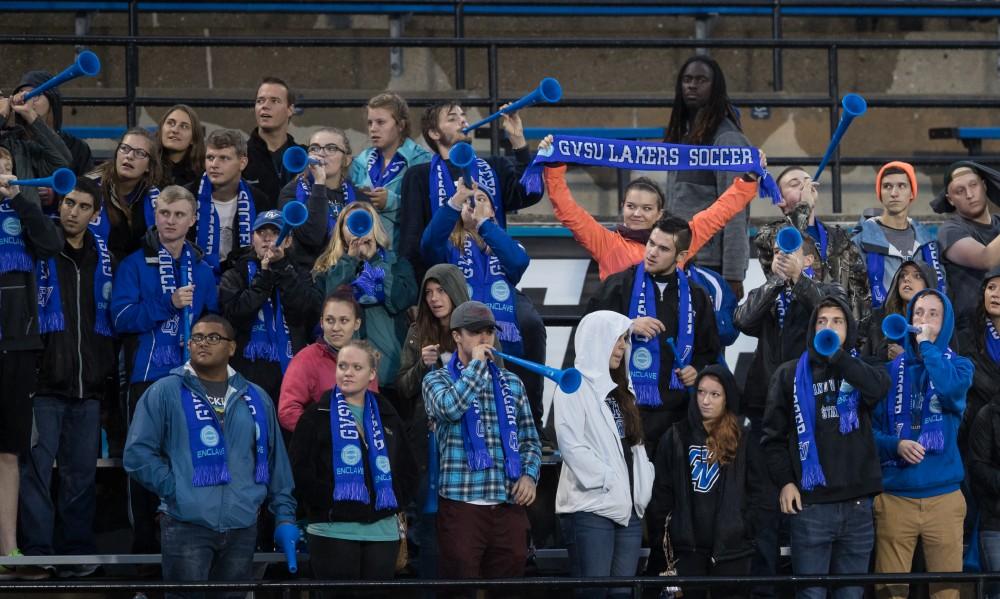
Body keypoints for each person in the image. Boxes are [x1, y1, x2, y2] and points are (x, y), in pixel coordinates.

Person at [123, 314, 297, 599]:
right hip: (186, 525)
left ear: (232, 347)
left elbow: (277, 463)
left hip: (242, 526)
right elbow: (137, 454)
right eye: (197, 338)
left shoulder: (255, 397)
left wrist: (285, 517)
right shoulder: (164, 391)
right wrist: (176, 488)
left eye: (213, 337)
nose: (203, 343)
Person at [111, 185, 219, 556]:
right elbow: (122, 319)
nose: (170, 221)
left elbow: (212, 324)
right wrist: (168, 302)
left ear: (193, 221)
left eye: (178, 215)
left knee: (190, 462)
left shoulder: (203, 271)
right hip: (147, 379)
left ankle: (187, 545)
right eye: (164, 214)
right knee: (144, 464)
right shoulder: (134, 263)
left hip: (193, 382)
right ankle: (144, 550)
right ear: (155, 217)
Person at [762, 296, 890, 599]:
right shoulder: (789, 374)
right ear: (811, 329)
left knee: (851, 595)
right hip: (811, 506)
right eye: (822, 322)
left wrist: (839, 357)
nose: (828, 327)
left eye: (837, 322)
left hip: (858, 504)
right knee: (811, 596)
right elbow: (771, 438)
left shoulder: (863, 367)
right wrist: (785, 482)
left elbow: (877, 389)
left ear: (849, 329)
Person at [18, 178, 115, 576]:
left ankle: (76, 552)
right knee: (36, 474)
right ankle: (39, 552)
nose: (72, 212)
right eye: (68, 203)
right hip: (43, 383)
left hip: (88, 387)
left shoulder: (103, 256)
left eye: (82, 206)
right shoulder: (41, 246)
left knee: (80, 477)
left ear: (95, 215)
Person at [422, 301, 541, 590]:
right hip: (462, 505)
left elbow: (530, 440)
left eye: (489, 331)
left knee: (509, 588)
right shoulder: (436, 379)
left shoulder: (512, 383)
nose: (484, 339)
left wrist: (529, 475)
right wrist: (475, 367)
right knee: (458, 590)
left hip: (507, 504)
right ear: (457, 336)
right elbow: (450, 408)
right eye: (475, 332)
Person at [420, 178, 549, 438]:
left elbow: (518, 262)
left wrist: (483, 225)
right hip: (463, 335)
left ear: (493, 211)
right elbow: (428, 245)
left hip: (502, 332)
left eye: (482, 200)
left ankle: (532, 426)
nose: (474, 203)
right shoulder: (449, 246)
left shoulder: (504, 244)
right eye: (469, 199)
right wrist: (455, 202)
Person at [541, 136, 764, 282]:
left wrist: (749, 178)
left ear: (659, 213)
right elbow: (567, 210)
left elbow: (719, 213)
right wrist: (553, 165)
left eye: (646, 208)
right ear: (622, 208)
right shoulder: (606, 243)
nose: (637, 213)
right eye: (631, 206)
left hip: (668, 338)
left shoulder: (679, 239)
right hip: (622, 341)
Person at [587, 216, 721, 457]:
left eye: (663, 248)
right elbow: (588, 333)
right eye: (651, 243)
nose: (652, 252)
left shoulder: (697, 295)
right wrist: (627, 325)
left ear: (681, 256)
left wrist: (697, 370)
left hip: (676, 415)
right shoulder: (619, 284)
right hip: (625, 408)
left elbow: (708, 351)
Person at [289, 339, 417, 583]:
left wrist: (391, 502)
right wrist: (333, 503)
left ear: (372, 374)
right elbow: (301, 472)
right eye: (343, 366)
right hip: (332, 529)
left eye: (357, 368)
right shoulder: (315, 415)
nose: (347, 373)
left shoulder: (388, 414)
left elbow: (408, 469)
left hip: (382, 532)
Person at [871, 289, 970, 599]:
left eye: (932, 315)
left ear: (947, 324)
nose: (923, 320)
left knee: (946, 594)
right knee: (890, 593)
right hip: (895, 498)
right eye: (918, 313)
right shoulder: (887, 373)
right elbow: (869, 434)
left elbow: (951, 391)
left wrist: (927, 346)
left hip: (944, 498)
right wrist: (894, 445)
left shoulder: (961, 367)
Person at [554, 311, 654, 599]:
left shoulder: (624, 388)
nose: (623, 346)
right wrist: (608, 480)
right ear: (597, 340)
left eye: (625, 339)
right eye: (617, 339)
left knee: (622, 594)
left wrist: (642, 482)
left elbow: (635, 445)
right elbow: (572, 446)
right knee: (593, 594)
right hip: (591, 507)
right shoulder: (572, 385)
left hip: (629, 509)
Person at [0, 136, 63, 580]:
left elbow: (51, 245)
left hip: (17, 344)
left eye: (3, 165)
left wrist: (19, 201)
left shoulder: (25, 212)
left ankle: (9, 552)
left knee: (7, 453)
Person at [647, 364, 766, 599]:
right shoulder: (676, 436)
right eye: (701, 392)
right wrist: (667, 540)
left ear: (727, 398)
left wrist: (744, 529)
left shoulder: (743, 441)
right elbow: (661, 496)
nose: (706, 400)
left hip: (732, 553)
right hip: (686, 553)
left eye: (714, 394)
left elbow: (759, 494)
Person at [398, 101, 542, 279]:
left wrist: (518, 140)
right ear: (434, 133)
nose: (463, 122)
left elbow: (531, 192)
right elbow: (411, 242)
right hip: (443, 288)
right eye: (453, 118)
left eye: (463, 116)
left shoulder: (495, 166)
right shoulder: (418, 176)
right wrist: (416, 295)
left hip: (492, 283)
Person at [395, 263, 472, 581]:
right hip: (426, 442)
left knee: (461, 529)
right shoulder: (417, 332)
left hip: (469, 438)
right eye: (428, 293)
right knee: (428, 527)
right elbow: (402, 387)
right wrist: (423, 367)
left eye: (441, 291)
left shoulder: (476, 329)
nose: (434, 299)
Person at [663, 55, 753, 298]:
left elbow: (736, 213)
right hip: (677, 259)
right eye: (687, 79)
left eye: (701, 80)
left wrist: (733, 275)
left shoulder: (727, 140)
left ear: (716, 88)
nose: (692, 85)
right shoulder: (682, 137)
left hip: (709, 266)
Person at [754, 167, 872, 343]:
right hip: (795, 338)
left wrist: (856, 339)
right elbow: (789, 241)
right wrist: (805, 205)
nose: (804, 186)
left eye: (808, 181)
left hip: (838, 337)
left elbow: (860, 293)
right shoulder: (770, 233)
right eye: (795, 184)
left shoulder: (839, 237)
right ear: (780, 200)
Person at [219, 210, 322, 403]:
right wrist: (264, 277)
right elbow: (234, 315)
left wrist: (282, 268)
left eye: (275, 232)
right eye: (261, 232)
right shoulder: (235, 273)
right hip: (246, 365)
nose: (267, 238)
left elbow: (307, 311)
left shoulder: (300, 273)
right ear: (252, 239)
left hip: (291, 366)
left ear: (288, 241)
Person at [314, 201, 417, 390]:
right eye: (351, 223)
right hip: (344, 375)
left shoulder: (397, 264)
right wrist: (350, 261)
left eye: (364, 221)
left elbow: (400, 300)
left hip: (389, 373)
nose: (358, 228)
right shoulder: (327, 268)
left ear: (375, 227)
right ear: (341, 231)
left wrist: (376, 261)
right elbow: (328, 303)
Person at [278, 289, 377, 433]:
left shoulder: (366, 359)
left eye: (344, 320)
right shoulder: (305, 359)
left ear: (357, 323)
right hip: (322, 450)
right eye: (330, 320)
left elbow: (374, 407)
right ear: (322, 322)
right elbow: (287, 411)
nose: (336, 328)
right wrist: (324, 433)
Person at [852, 161, 947, 309]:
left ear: (912, 193)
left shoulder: (929, 244)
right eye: (887, 186)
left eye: (901, 186)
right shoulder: (859, 242)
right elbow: (853, 297)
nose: (894, 193)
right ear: (880, 194)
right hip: (879, 327)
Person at [349, 92, 432, 248]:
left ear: (401, 125)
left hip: (402, 256)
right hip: (365, 253)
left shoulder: (421, 160)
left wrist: (391, 202)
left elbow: (427, 213)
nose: (373, 129)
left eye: (381, 122)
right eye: (370, 123)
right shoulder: (361, 160)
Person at [187, 128, 271, 276]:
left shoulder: (260, 201)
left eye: (224, 158)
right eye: (210, 157)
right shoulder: (187, 197)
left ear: (242, 162)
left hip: (241, 283)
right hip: (195, 280)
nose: (214, 164)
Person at [932, 161, 1000, 332]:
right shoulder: (950, 230)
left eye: (973, 185)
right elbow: (987, 259)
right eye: (959, 191)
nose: (969, 194)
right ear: (950, 199)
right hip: (972, 333)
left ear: (984, 186)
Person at [277, 127, 358, 268]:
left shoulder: (359, 197)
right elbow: (312, 236)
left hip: (348, 274)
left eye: (331, 148)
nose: (321, 154)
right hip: (305, 277)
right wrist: (319, 183)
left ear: (346, 160)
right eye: (314, 148)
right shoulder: (290, 192)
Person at [88, 127, 164, 260]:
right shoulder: (90, 186)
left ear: (148, 166)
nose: (129, 156)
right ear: (117, 153)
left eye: (140, 153)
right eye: (125, 148)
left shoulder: (155, 197)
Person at [13, 69, 93, 176]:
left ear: (52, 100)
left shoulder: (77, 147)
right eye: (22, 95)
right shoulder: (12, 143)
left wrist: (57, 192)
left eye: (35, 94)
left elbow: (90, 187)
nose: (28, 101)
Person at [244, 76, 301, 205]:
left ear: (290, 110)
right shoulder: (240, 156)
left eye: (274, 101)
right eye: (260, 101)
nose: (265, 106)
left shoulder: (303, 156)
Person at [864, 260, 934, 361]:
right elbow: (866, 363)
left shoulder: (939, 322)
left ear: (928, 285)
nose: (906, 279)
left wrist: (906, 360)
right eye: (902, 275)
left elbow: (944, 371)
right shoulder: (880, 318)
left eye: (917, 276)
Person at [158, 104, 205, 188]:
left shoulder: (203, 176)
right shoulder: (146, 166)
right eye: (170, 123)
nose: (175, 130)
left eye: (184, 126)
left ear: (193, 138)